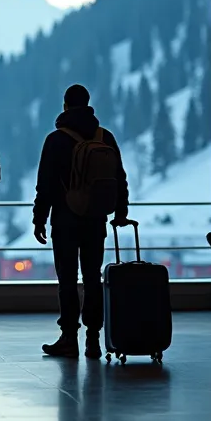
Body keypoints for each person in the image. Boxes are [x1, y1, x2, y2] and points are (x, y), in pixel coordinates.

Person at [32, 84, 130, 359]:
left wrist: (39, 218)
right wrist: (120, 211)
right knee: (92, 278)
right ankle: (93, 340)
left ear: (65, 105)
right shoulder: (104, 136)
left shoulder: (56, 140)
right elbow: (119, 177)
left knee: (67, 279)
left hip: (65, 218)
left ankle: (68, 338)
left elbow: (45, 184)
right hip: (95, 218)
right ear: (88, 104)